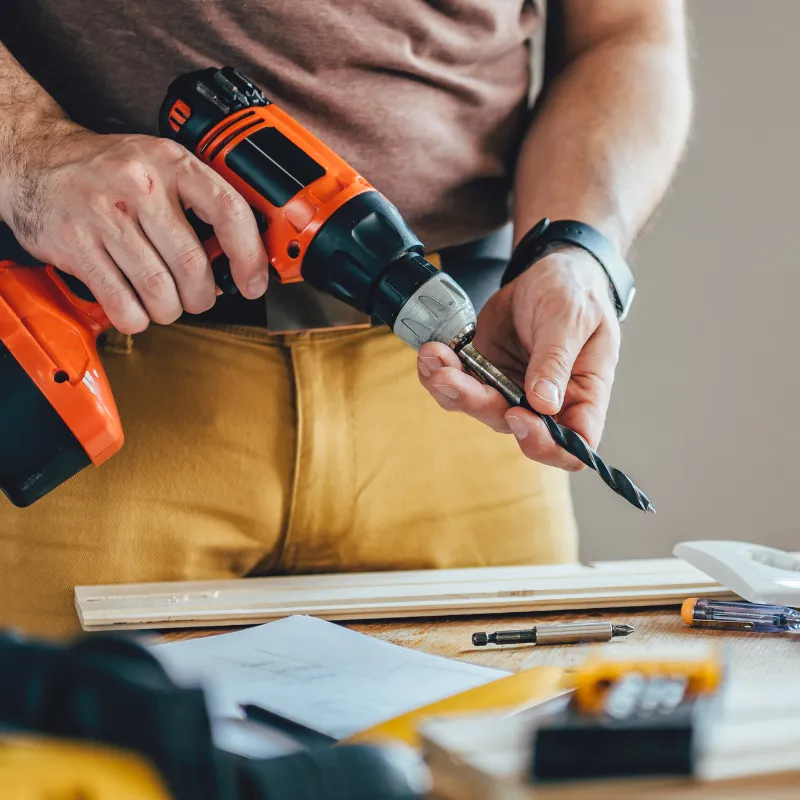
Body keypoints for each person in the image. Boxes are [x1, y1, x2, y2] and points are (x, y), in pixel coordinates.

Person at [0, 1, 691, 637]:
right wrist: (30, 151)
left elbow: (627, 32)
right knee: (63, 767)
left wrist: (575, 252)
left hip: (466, 405)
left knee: (500, 754)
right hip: (77, 372)